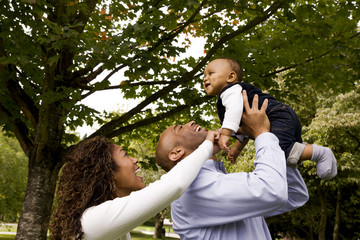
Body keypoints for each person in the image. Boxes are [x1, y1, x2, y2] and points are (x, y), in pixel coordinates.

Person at [155, 91, 309, 239]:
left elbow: (294, 195)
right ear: (176, 153)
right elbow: (273, 192)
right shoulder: (193, 189)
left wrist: (280, 141)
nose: (191, 122)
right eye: (180, 128)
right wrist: (261, 133)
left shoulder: (216, 181)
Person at [49, 130, 219, 240]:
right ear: (107, 172)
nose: (135, 160)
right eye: (125, 155)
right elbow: (175, 184)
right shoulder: (93, 221)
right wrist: (207, 146)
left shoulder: (103, 220)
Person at [203, 57, 337, 180]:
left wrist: (225, 134)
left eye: (210, 73)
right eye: (203, 75)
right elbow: (245, 129)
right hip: (281, 116)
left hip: (275, 117)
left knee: (279, 153)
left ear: (231, 76)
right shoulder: (233, 94)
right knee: (284, 157)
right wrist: (237, 148)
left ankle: (321, 153)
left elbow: (234, 110)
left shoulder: (230, 91)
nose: (205, 78)